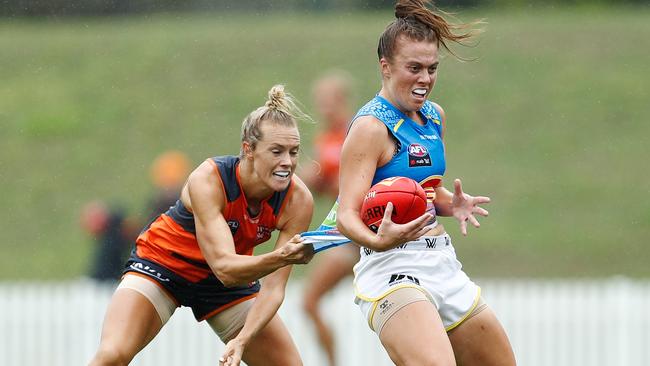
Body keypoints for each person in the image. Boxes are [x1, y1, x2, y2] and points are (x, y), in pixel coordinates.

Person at [333, 1, 517, 365]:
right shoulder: (371, 128)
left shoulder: (434, 116)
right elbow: (346, 214)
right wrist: (376, 239)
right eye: (413, 68)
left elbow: (424, 193)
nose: (425, 79)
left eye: (432, 69)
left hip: (440, 261)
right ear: (385, 67)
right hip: (391, 270)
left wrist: (451, 203)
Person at [89, 85, 315, 366]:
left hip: (224, 284)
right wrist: (280, 257)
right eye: (277, 151)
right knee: (112, 355)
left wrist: (242, 340)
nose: (287, 163)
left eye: (293, 152)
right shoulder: (209, 179)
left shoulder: (298, 200)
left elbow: (273, 290)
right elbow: (225, 268)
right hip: (164, 265)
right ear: (249, 150)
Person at [300, 72, 359, 366]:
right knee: (309, 302)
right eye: (319, 102)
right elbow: (322, 184)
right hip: (343, 235)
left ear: (342, 100)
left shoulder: (358, 131)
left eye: (328, 101)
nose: (323, 108)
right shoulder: (325, 139)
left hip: (362, 234)